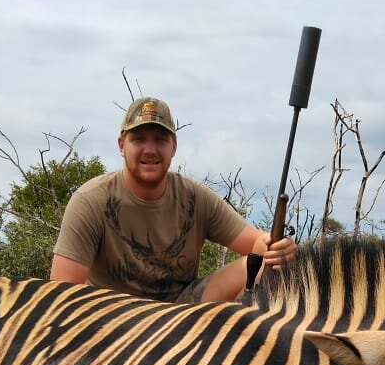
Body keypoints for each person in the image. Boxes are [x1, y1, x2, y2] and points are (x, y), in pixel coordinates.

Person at [50, 97, 297, 303]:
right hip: (114, 320)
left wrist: (276, 248)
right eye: (139, 139)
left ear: (173, 147)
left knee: (261, 267)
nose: (150, 149)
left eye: (160, 139)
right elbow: (61, 295)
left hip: (179, 318)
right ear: (121, 145)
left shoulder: (195, 197)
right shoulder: (90, 200)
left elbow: (256, 243)